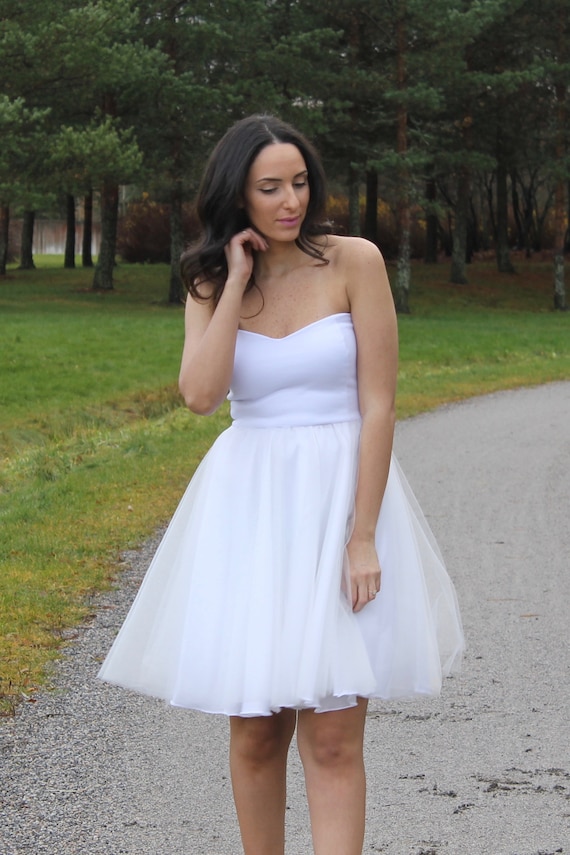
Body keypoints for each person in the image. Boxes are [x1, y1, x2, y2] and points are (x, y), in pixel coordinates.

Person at [98, 114, 464, 855]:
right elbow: (201, 395)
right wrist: (234, 281)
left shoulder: (355, 261)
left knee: (332, 739)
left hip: (342, 504)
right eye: (270, 188)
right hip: (251, 515)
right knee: (257, 732)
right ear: (238, 195)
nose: (291, 200)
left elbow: (379, 403)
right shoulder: (208, 279)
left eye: (299, 182)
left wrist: (362, 534)